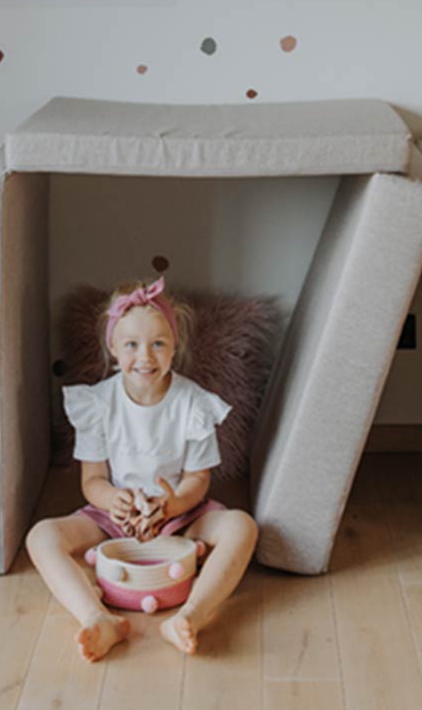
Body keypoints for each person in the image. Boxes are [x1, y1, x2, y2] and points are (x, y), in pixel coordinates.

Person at [25, 278, 259, 661]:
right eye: (131, 345)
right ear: (113, 348)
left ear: (174, 348)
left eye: (158, 344)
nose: (145, 357)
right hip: (114, 517)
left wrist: (173, 505)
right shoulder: (98, 404)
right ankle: (97, 618)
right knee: (41, 536)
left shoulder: (193, 404)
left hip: (180, 514)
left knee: (242, 527)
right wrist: (115, 500)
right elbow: (93, 480)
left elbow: (198, 479)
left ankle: (190, 616)